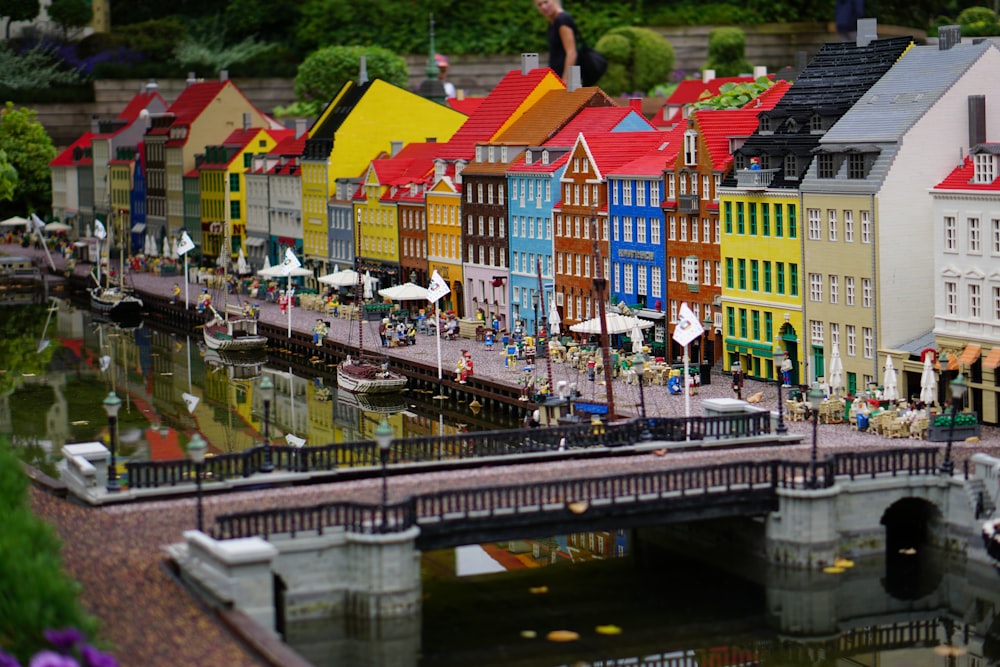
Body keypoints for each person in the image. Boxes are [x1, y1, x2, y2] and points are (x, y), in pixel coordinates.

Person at [535, 0, 579, 83]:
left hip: (564, 77)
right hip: (556, 75)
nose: (543, 7)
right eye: (539, 5)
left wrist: (565, 80)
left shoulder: (562, 20)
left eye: (546, 2)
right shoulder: (553, 21)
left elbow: (571, 52)